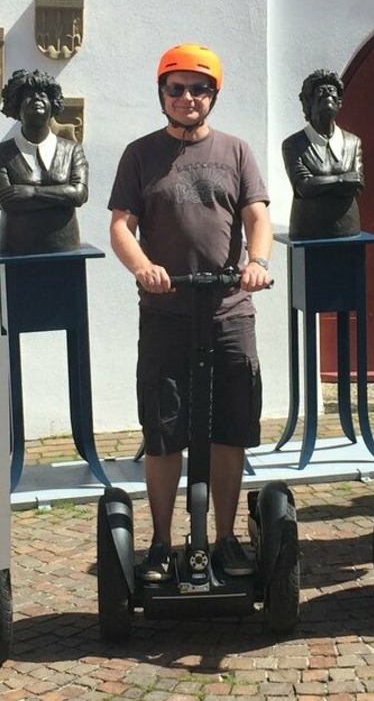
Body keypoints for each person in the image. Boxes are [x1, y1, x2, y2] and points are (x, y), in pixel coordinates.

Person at [108, 43, 273, 582]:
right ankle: (159, 543)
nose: (187, 98)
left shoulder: (237, 152)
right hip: (166, 313)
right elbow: (120, 227)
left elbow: (257, 217)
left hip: (228, 311)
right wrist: (143, 267)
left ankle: (224, 539)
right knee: (164, 430)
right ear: (162, 95)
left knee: (229, 430)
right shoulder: (139, 154)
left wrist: (258, 261)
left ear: (213, 96)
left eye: (198, 88)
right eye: (176, 88)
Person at [0, 69, 88, 255]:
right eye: (28, 95)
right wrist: (61, 198)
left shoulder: (72, 150)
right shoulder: (2, 153)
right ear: (16, 106)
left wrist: (31, 192)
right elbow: (8, 202)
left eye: (43, 95)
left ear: (52, 105)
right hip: (17, 250)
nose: (36, 98)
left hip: (66, 248)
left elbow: (79, 195)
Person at [281, 69, 365, 239]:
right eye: (320, 91)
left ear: (340, 103)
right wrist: (341, 179)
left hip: (348, 231)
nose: (327, 93)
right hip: (307, 232)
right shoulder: (293, 144)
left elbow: (357, 183)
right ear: (308, 103)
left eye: (332, 91)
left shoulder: (353, 142)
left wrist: (320, 183)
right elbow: (303, 187)